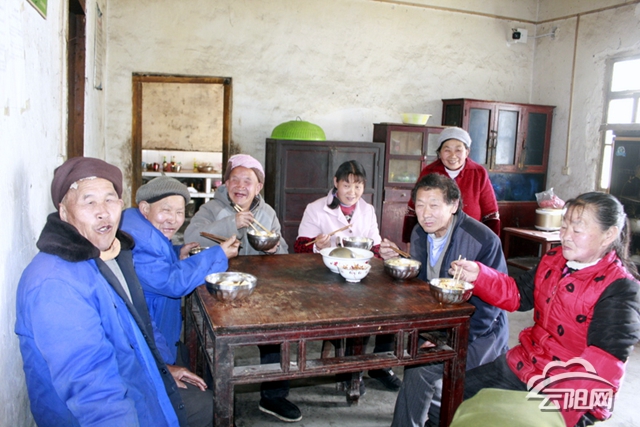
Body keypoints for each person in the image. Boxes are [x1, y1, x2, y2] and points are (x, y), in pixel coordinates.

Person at [15, 157, 213, 427]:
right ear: (63, 211)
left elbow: (135, 329)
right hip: (99, 412)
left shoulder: (109, 255)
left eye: (110, 200)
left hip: (135, 379)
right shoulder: (55, 283)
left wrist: (160, 370)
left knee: (208, 405)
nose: (103, 212)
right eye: (89, 202)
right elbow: (95, 393)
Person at [449, 192, 640, 427]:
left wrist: (552, 417)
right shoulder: (554, 259)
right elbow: (518, 294)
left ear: (608, 235)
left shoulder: (620, 289)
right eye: (564, 226)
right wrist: (479, 275)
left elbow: (602, 365)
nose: (565, 236)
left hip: (569, 389)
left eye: (577, 230)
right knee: (453, 396)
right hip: (526, 364)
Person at [381, 173, 509, 427]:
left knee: (421, 368)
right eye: (419, 205)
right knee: (417, 359)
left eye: (434, 205)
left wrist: (450, 340)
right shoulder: (420, 233)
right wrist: (398, 261)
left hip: (479, 333)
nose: (425, 213)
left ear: (453, 205)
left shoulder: (482, 240)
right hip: (440, 324)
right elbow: (422, 283)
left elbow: (492, 305)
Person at [184, 154, 300, 423]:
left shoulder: (267, 213)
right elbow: (190, 237)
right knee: (215, 343)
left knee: (277, 333)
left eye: (247, 180)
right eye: (234, 179)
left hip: (259, 287)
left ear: (258, 187)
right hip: (219, 290)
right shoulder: (212, 209)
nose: (240, 185)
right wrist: (232, 223)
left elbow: (283, 251)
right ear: (225, 184)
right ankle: (216, 401)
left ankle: (273, 396)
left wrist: (274, 248)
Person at [294, 159, 401, 392]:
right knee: (355, 311)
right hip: (326, 277)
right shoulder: (316, 208)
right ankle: (351, 372)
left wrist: (384, 251)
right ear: (336, 183)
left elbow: (374, 247)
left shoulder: (367, 210)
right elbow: (300, 247)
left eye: (358, 186)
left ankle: (379, 365)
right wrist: (317, 245)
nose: (352, 192)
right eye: (346, 185)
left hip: (360, 274)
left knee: (389, 304)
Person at [120, 175, 239, 366]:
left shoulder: (140, 225)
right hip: (149, 339)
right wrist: (219, 254)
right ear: (145, 208)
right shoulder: (140, 239)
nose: (173, 220)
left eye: (179, 212)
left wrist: (177, 253)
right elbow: (172, 282)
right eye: (166, 210)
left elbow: (156, 261)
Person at [402, 127, 500, 249]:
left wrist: (491, 243)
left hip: (470, 238)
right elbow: (413, 208)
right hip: (434, 238)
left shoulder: (479, 173)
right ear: (439, 153)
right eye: (447, 150)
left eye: (458, 150)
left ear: (467, 152)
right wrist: (409, 240)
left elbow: (491, 214)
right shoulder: (429, 171)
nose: (453, 156)